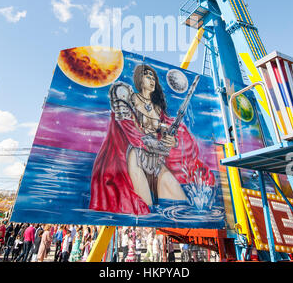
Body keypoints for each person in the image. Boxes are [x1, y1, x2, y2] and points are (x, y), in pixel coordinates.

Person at [89, 65, 214, 215]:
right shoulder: (130, 98)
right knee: (145, 211)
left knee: (180, 207)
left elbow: (169, 129)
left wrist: (173, 141)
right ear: (139, 80)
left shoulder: (158, 109)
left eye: (153, 77)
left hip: (156, 159)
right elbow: (126, 124)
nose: (152, 80)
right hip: (137, 156)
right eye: (148, 76)